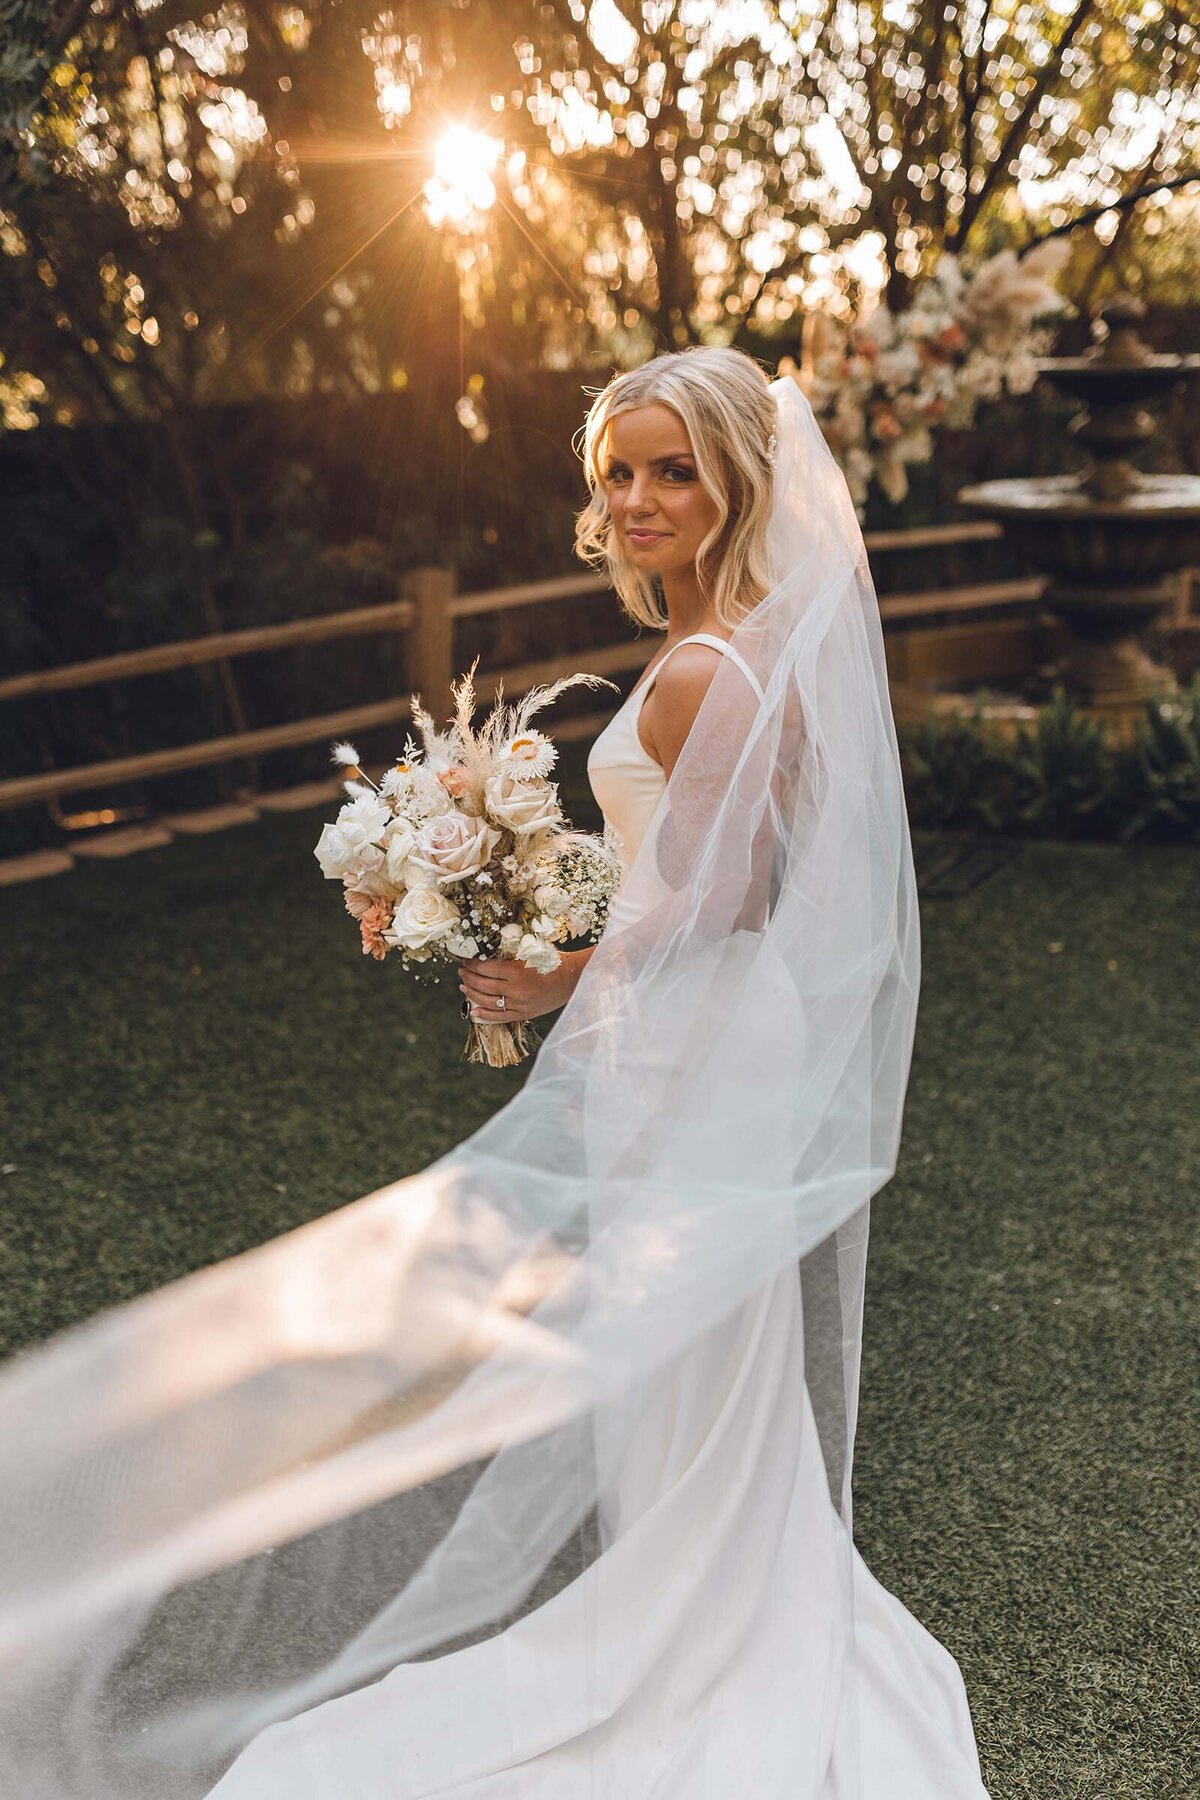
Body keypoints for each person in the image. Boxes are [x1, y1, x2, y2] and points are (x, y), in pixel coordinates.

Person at [0, 349, 990, 1799]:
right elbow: (695, 872)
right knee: (689, 1342)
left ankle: (706, 1624)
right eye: (618, 475)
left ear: (735, 483)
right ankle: (703, 1583)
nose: (638, 500)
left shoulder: (709, 669)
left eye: (671, 471)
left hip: (700, 1028)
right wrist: (542, 890)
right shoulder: (747, 645)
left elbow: (729, 892)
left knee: (673, 1338)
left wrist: (549, 970)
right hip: (710, 1029)